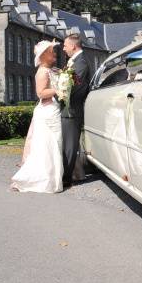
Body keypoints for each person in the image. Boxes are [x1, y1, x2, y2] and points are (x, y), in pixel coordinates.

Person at [10, 41, 64, 193]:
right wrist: (58, 89)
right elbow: (41, 93)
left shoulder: (52, 70)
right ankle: (41, 179)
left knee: (54, 144)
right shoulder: (42, 72)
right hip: (47, 111)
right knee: (46, 145)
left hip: (53, 110)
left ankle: (54, 176)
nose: (55, 54)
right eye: (52, 51)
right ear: (44, 55)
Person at [61, 34, 91, 186]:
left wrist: (59, 95)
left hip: (72, 110)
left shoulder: (81, 63)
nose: (63, 48)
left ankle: (66, 178)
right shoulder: (74, 61)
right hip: (67, 109)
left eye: (65, 45)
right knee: (66, 144)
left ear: (73, 46)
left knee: (70, 146)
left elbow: (75, 88)